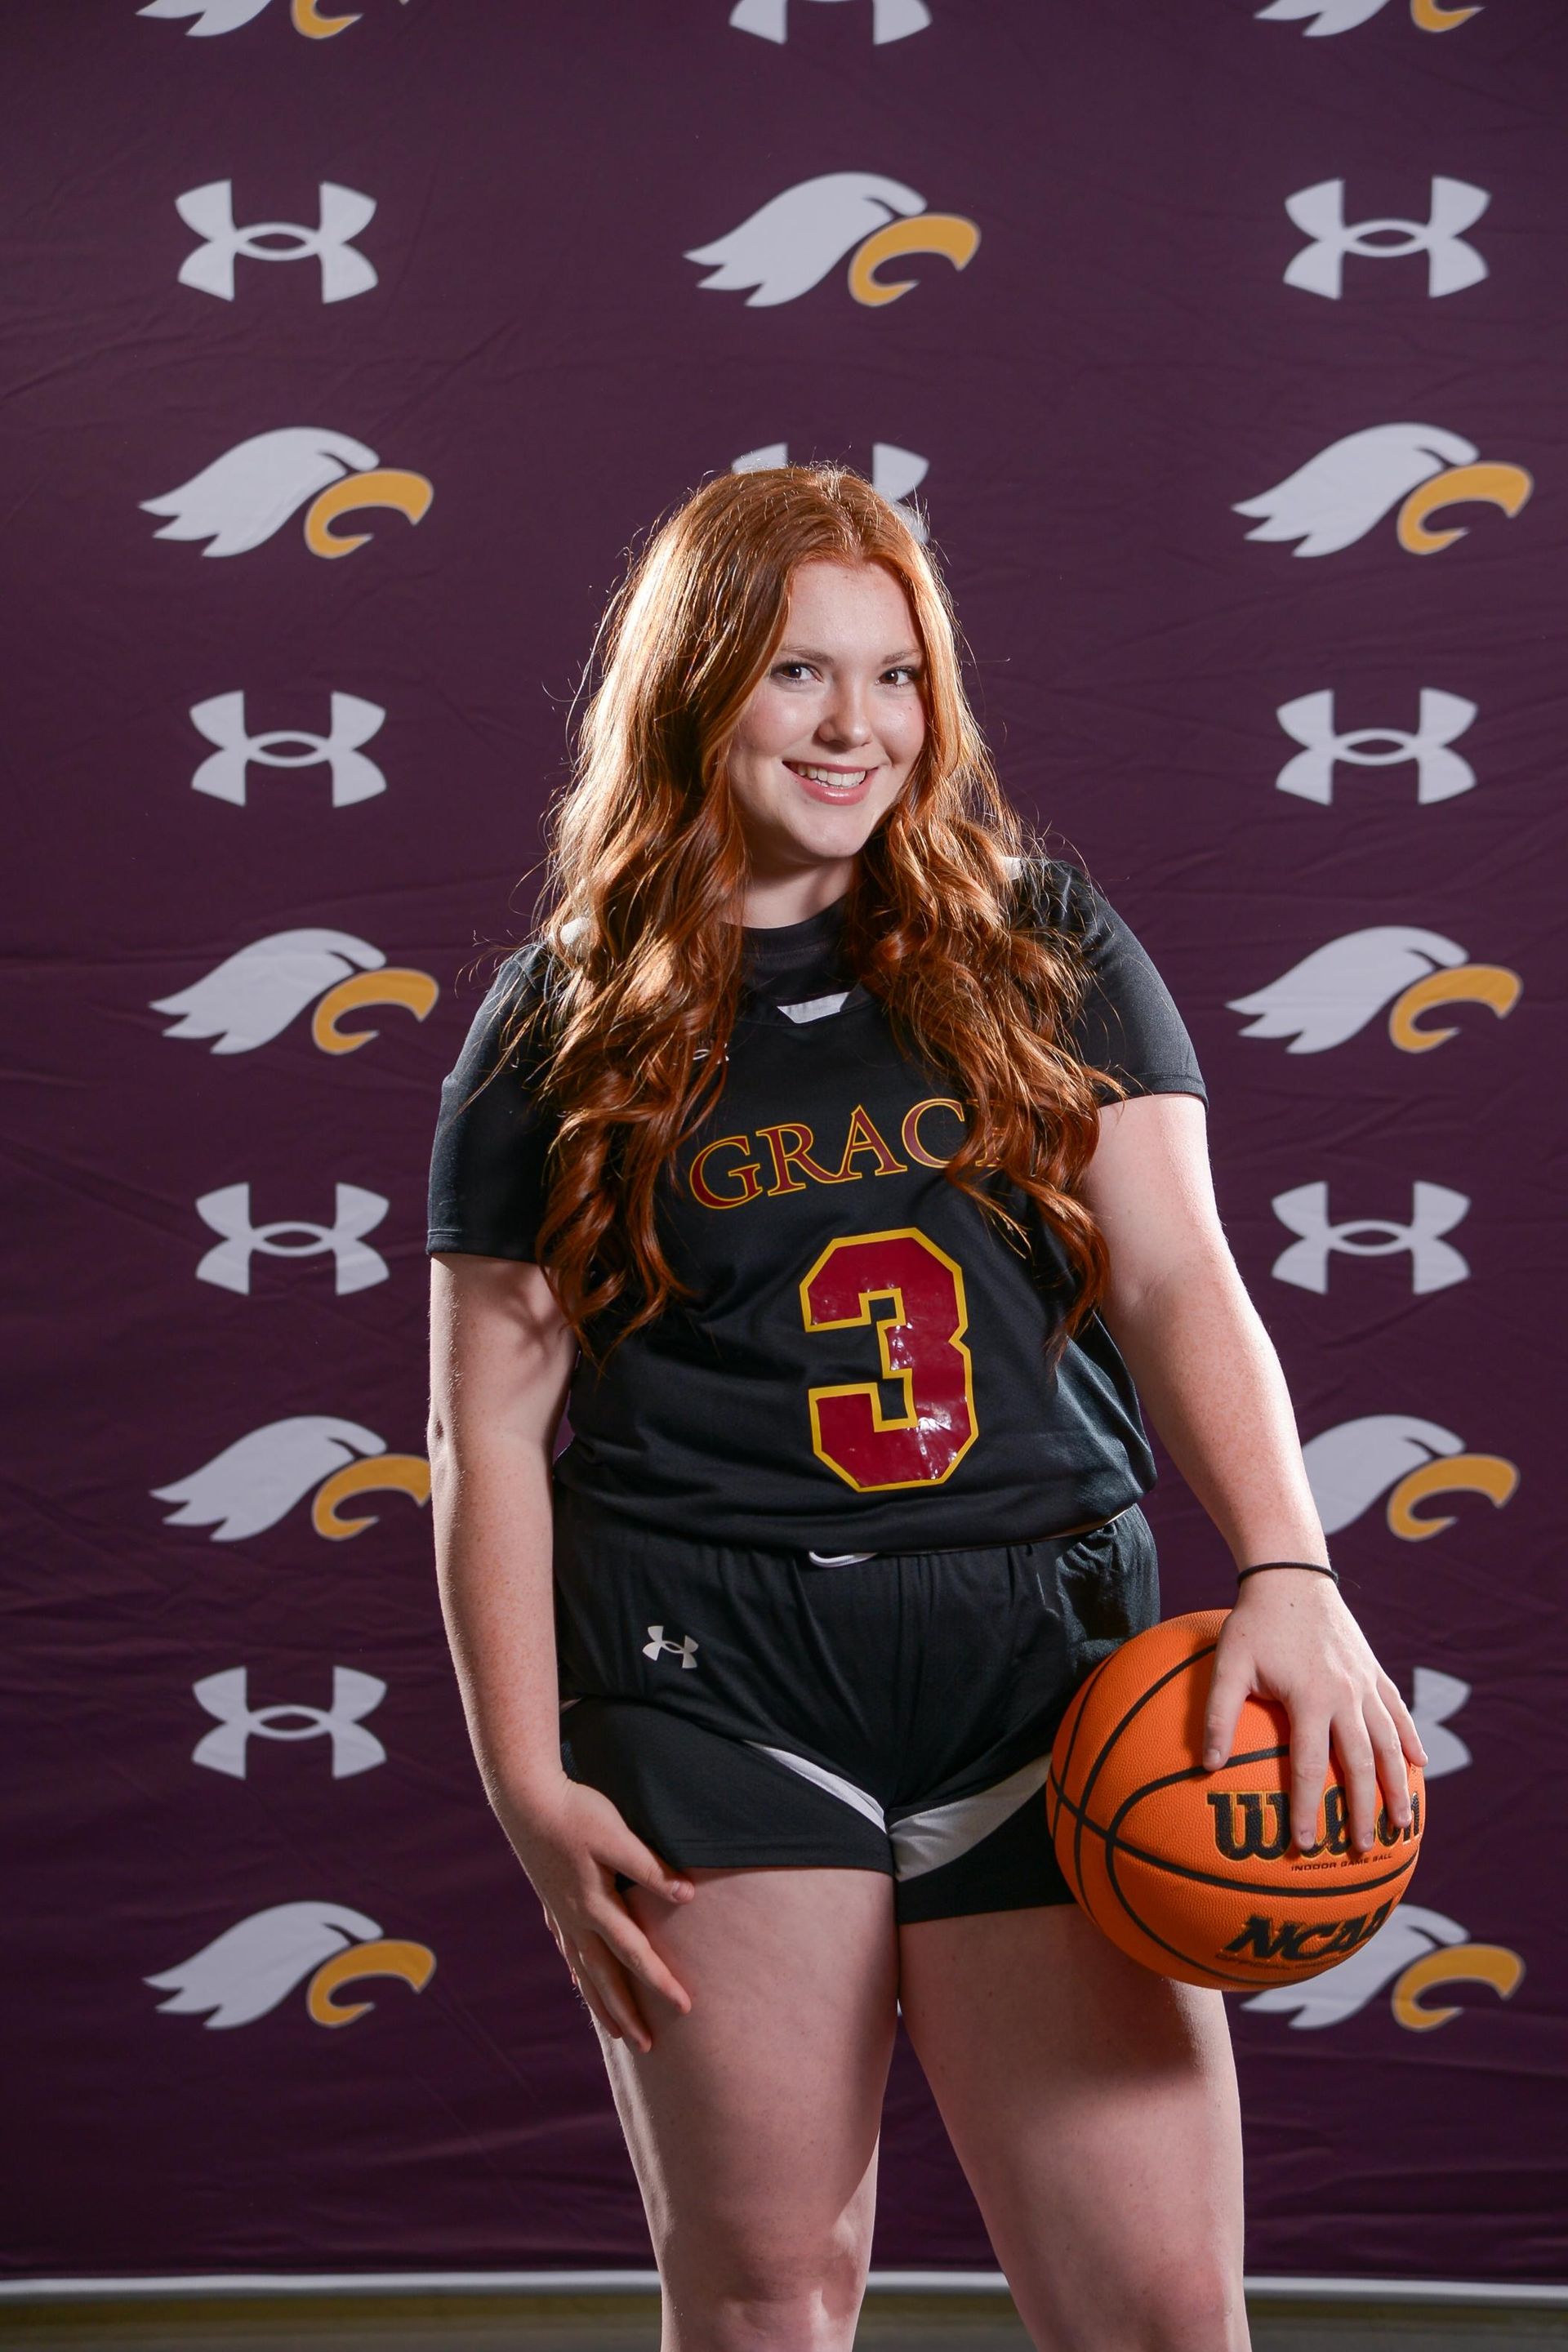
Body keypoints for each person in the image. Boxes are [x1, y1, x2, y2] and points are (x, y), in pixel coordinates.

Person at [425, 465, 1425, 2352]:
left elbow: (1175, 1267)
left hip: (1038, 1654)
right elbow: (485, 1430)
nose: (857, 728)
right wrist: (523, 1774)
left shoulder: (1033, 930)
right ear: (697, 684)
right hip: (711, 1657)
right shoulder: (562, 1015)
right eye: (803, 674)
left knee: (1152, 2316)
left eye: (897, 679)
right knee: (765, 2304)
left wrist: (1291, 1562)